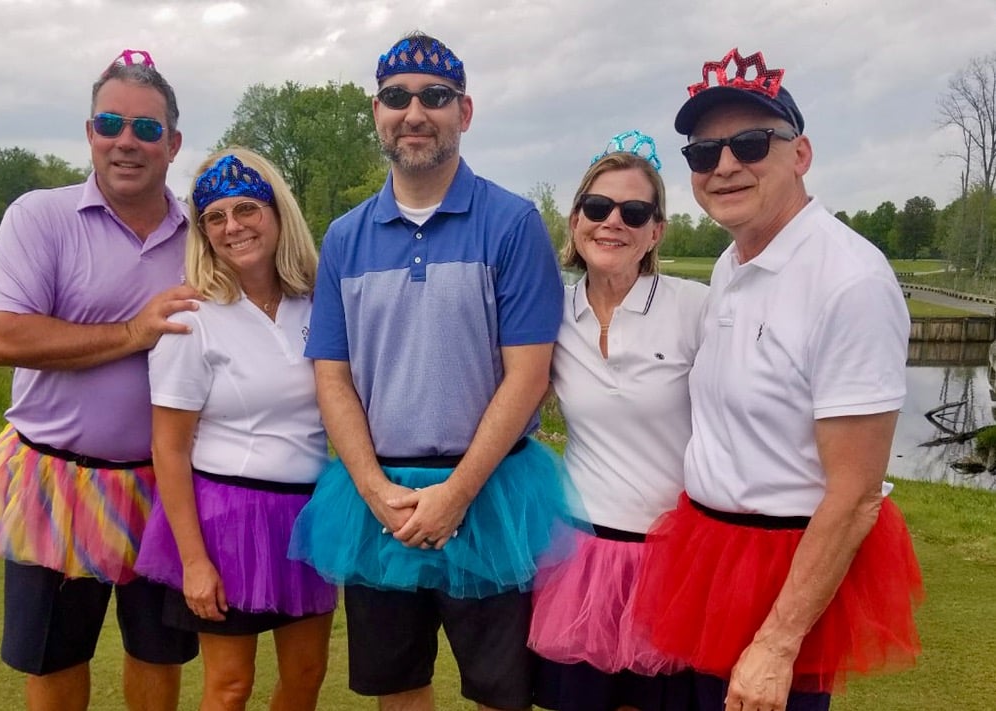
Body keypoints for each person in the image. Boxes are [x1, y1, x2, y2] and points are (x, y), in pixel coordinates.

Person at [288, 31, 574, 711]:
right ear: (377, 111)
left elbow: (528, 375)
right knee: (399, 687)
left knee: (501, 692)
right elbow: (333, 377)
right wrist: (373, 486)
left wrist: (457, 493)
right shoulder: (346, 237)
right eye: (396, 97)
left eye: (435, 97)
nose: (414, 112)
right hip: (379, 494)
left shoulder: (512, 223)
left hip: (491, 492)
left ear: (464, 112)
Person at [631, 48, 924, 711]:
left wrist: (777, 642)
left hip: (781, 570)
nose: (725, 165)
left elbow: (854, 493)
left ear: (802, 154)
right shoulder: (734, 263)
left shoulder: (850, 280)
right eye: (704, 154)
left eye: (751, 142)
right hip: (705, 553)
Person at [0, 49, 199, 711]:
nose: (127, 141)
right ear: (90, 132)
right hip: (55, 480)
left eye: (147, 129)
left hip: (167, 484)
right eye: (111, 123)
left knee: (159, 649)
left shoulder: (204, 235)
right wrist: (131, 333)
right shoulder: (39, 216)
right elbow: (3, 336)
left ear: (173, 143)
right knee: (56, 654)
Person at [133, 148, 335, 711]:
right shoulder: (191, 318)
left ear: (277, 213)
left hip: (308, 516)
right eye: (214, 217)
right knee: (228, 687)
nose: (233, 227)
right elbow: (168, 448)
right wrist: (194, 561)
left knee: (306, 674)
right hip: (227, 522)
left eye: (246, 208)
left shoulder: (319, 302)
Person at [528, 132, 707, 711]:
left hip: (671, 561)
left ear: (655, 230)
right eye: (598, 207)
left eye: (634, 212)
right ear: (576, 218)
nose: (613, 223)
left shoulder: (695, 308)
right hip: (579, 557)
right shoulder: (549, 311)